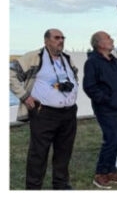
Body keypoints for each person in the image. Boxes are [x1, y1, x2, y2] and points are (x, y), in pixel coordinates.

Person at [10, 28, 79, 190]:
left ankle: (60, 185)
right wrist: (25, 96)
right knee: (39, 153)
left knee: (64, 151)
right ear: (46, 40)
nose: (60, 40)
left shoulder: (67, 58)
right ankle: (33, 189)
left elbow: (73, 77)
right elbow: (9, 74)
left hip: (68, 113)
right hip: (44, 113)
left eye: (63, 37)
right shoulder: (34, 57)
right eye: (56, 38)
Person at [83, 31, 117, 188]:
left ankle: (111, 170)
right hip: (106, 109)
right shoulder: (93, 62)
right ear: (99, 43)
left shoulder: (113, 60)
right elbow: (89, 86)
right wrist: (106, 99)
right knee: (111, 140)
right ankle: (101, 173)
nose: (112, 40)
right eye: (108, 38)